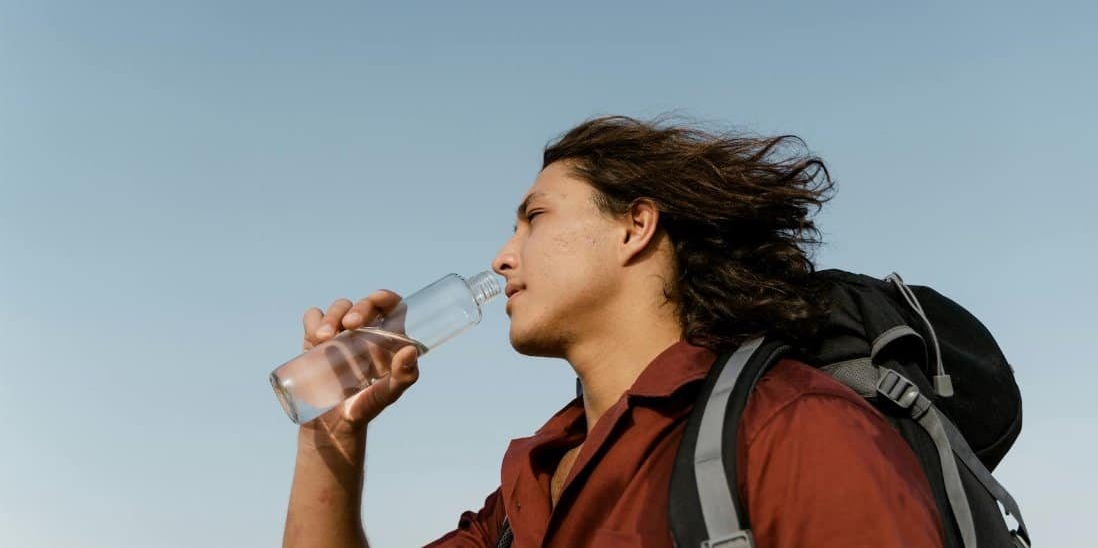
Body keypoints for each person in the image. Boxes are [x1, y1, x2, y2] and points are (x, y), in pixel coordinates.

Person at [282, 115, 944, 547]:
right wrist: (331, 434)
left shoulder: (787, 426)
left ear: (635, 226)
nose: (502, 257)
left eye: (533, 218)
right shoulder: (522, 500)